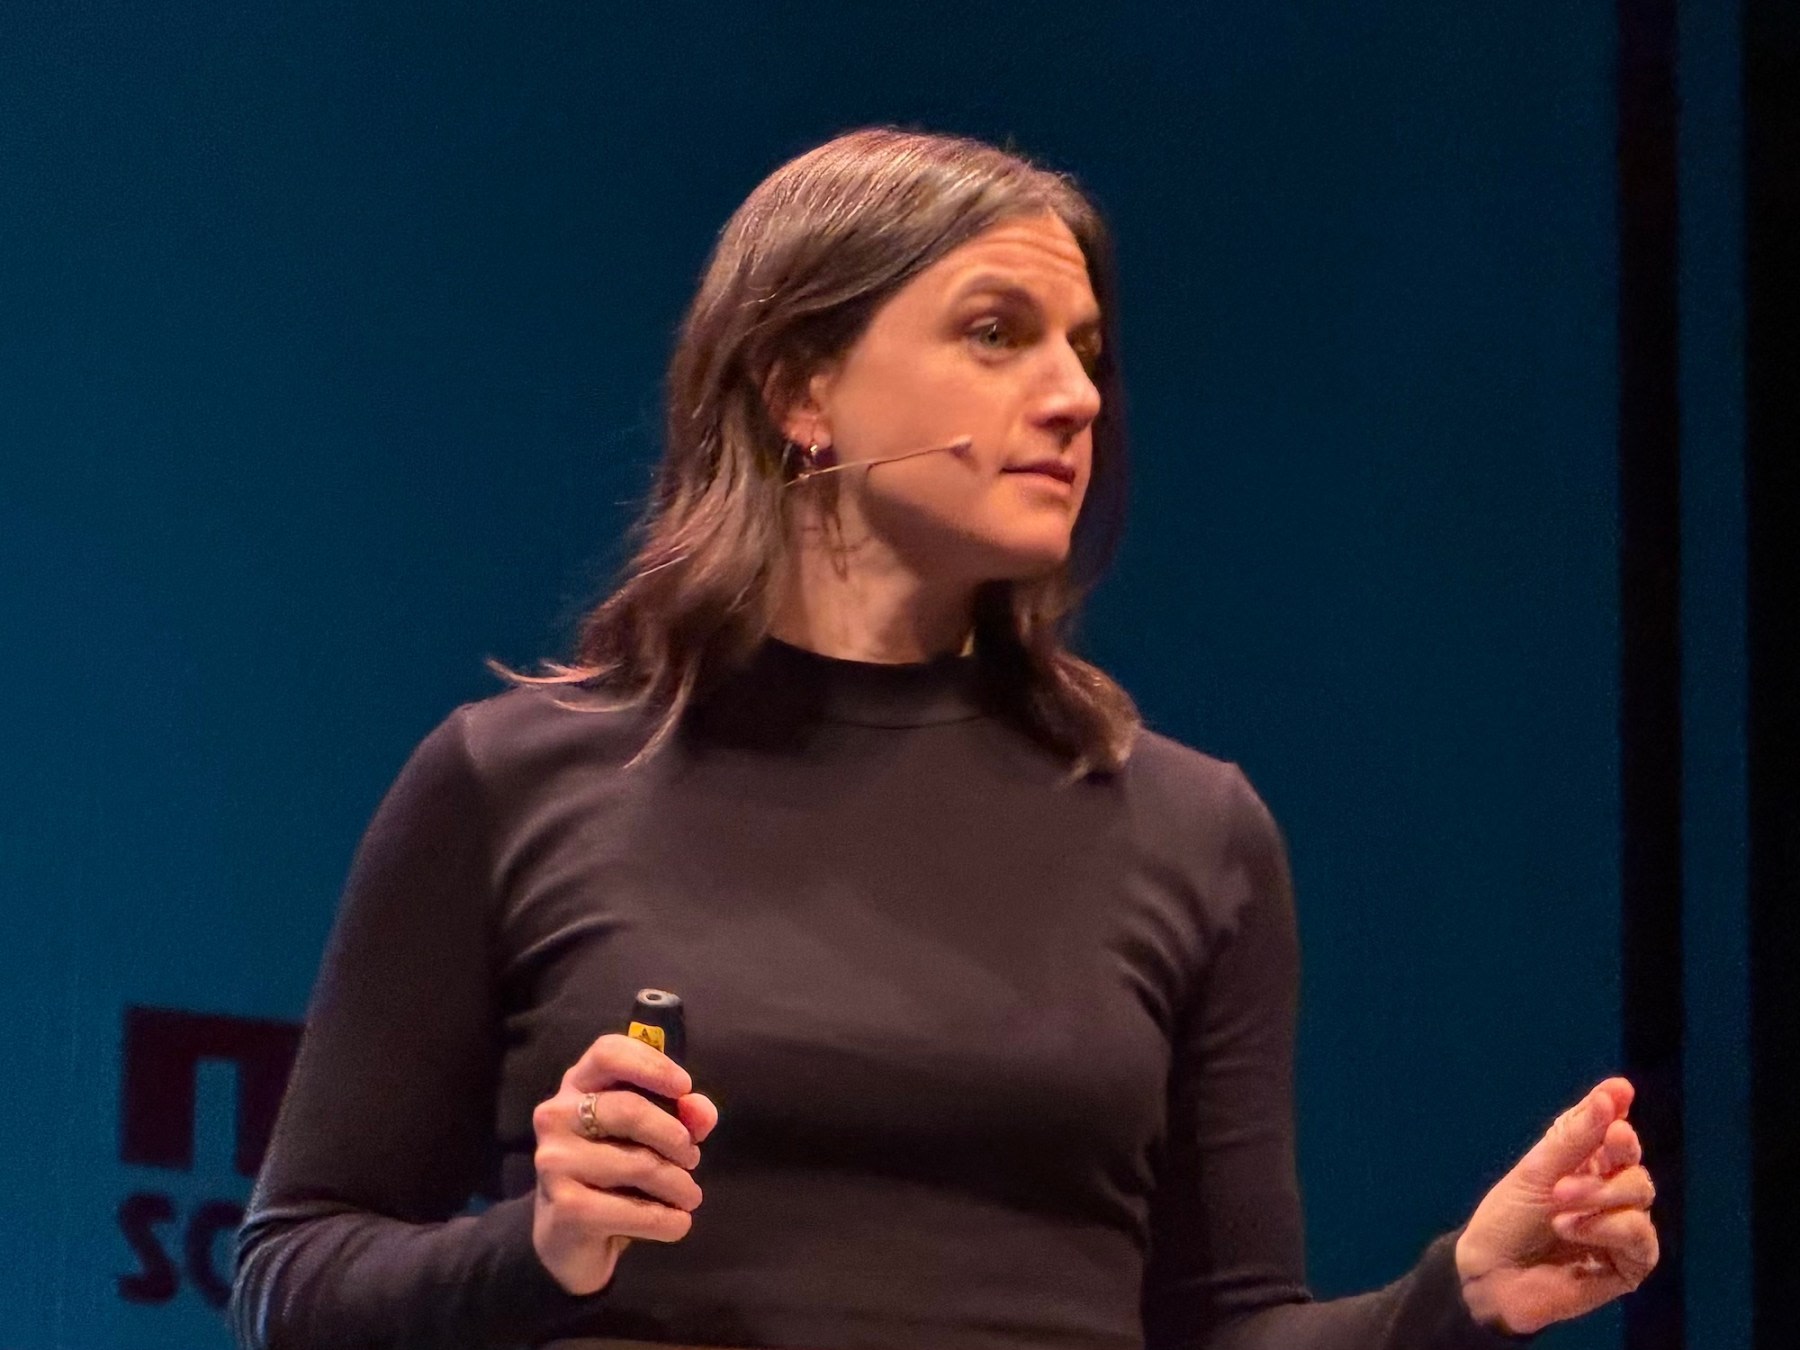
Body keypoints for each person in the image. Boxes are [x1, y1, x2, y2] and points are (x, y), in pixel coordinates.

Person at [228, 126, 1658, 1350]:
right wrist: (540, 1246)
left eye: (1086, 352)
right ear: (801, 388)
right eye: (996, 333)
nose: (1075, 396)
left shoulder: (1191, 832)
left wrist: (1455, 1298)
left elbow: (1226, 1325)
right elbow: (292, 1273)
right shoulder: (512, 779)